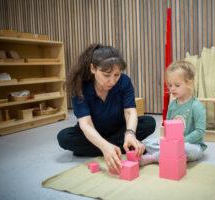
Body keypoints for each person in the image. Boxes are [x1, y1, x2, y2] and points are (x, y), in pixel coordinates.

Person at [57, 44, 156, 173]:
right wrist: (104, 146)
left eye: (117, 75)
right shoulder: (80, 86)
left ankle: (103, 148)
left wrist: (130, 134)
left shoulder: (125, 82)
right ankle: (117, 147)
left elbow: (130, 112)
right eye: (106, 75)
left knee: (149, 122)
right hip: (93, 133)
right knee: (64, 137)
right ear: (93, 68)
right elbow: (86, 124)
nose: (112, 81)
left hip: (117, 130)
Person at [139, 60, 207, 166]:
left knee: (184, 149)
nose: (172, 89)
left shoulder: (196, 106)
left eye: (177, 85)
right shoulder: (172, 105)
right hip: (172, 143)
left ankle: (153, 157)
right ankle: (164, 153)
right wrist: (167, 141)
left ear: (190, 83)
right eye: (170, 85)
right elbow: (168, 127)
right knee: (146, 143)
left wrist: (181, 142)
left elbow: (200, 131)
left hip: (192, 145)